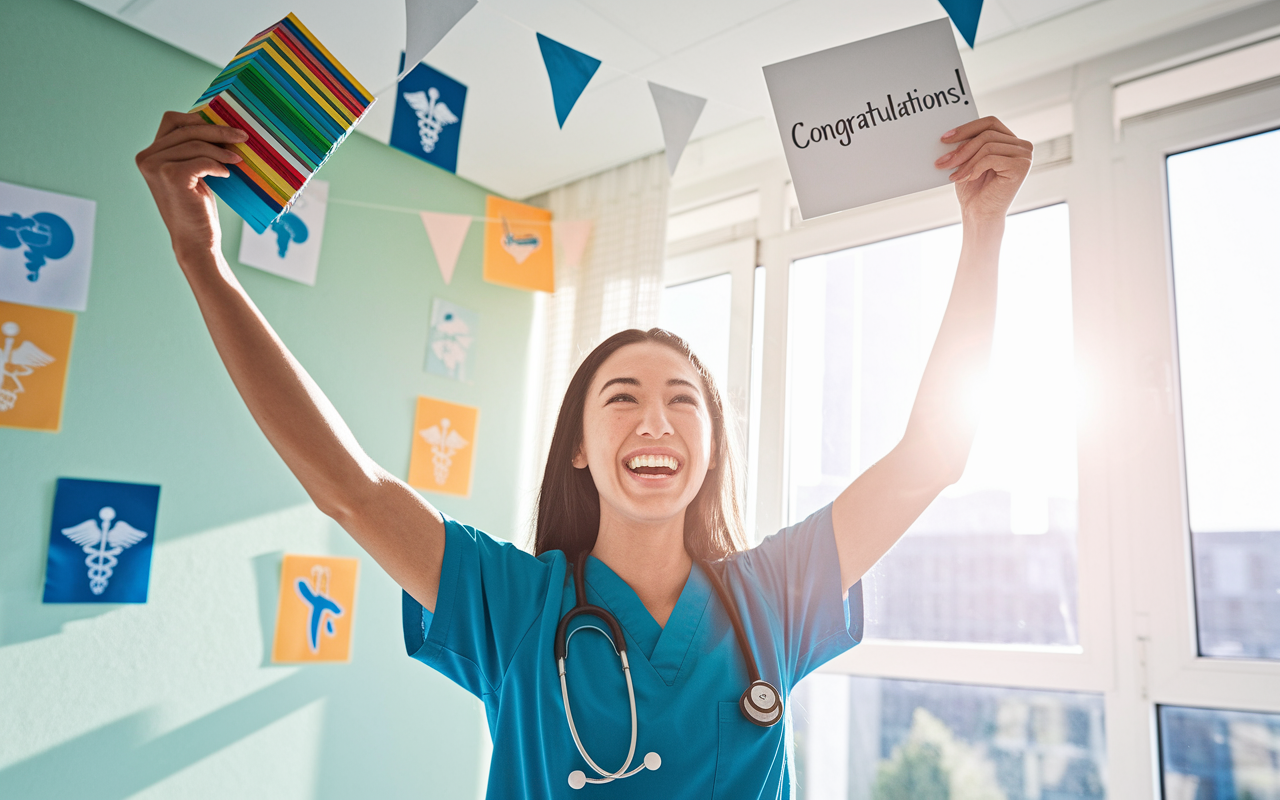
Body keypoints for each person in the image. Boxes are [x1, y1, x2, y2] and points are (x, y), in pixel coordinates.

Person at [136, 111, 1032, 798]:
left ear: (711, 449)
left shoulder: (775, 597)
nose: (656, 422)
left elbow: (931, 457)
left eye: (684, 403)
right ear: (577, 447)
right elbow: (348, 488)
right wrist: (201, 258)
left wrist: (986, 226)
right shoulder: (510, 606)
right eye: (623, 399)